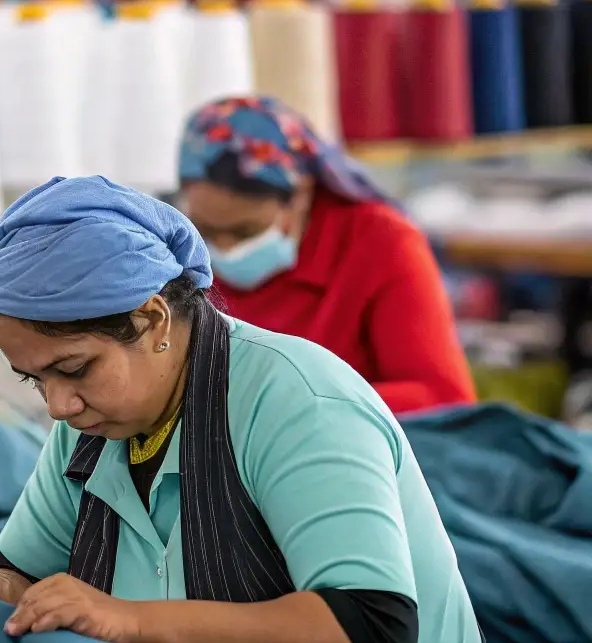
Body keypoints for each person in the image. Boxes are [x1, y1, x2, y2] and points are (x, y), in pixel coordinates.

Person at [0, 176, 527, 643]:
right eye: (34, 378)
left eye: (72, 370)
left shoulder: (297, 400)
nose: (57, 406)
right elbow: (23, 574)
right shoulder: (92, 426)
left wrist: (128, 620)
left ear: (151, 319)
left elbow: (367, 636)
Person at [177, 96, 476, 414]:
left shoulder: (379, 242)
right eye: (207, 232)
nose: (226, 249)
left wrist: (293, 406)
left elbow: (442, 396)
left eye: (245, 232)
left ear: (302, 194)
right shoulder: (174, 250)